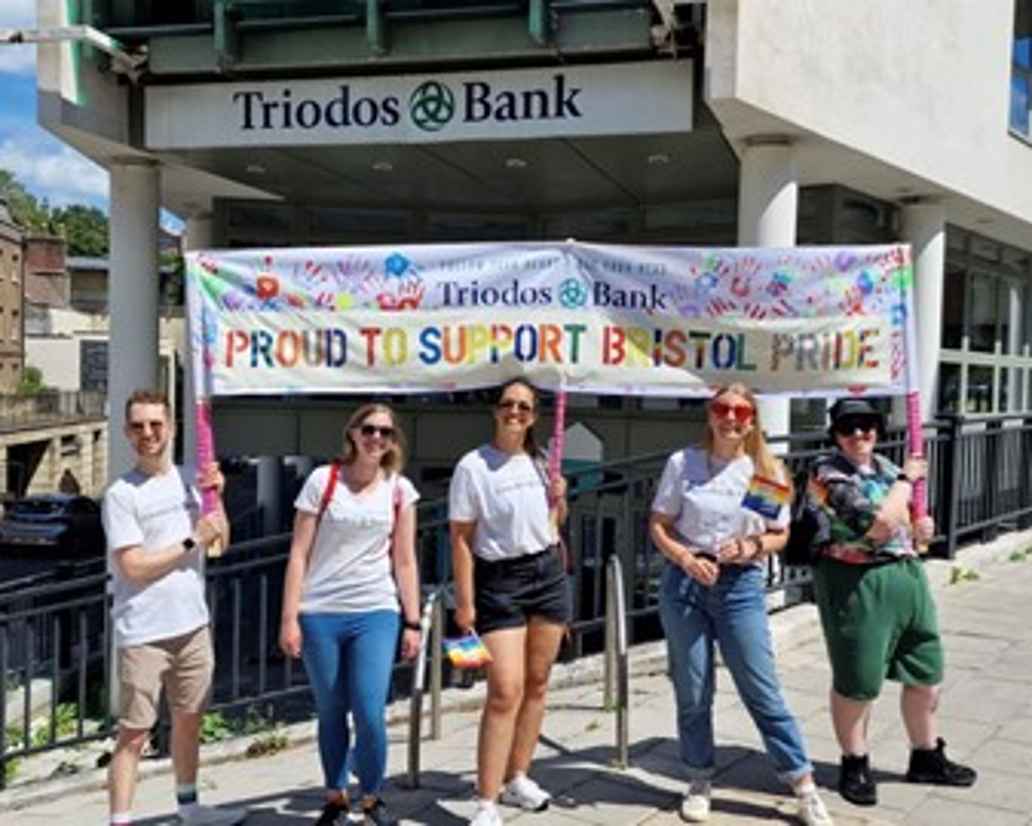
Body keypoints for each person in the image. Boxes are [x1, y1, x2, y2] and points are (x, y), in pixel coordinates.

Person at [649, 383, 833, 826]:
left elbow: (779, 535)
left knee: (760, 686)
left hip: (739, 587)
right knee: (693, 689)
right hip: (686, 584)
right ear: (710, 415)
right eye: (722, 409)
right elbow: (659, 524)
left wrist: (751, 545)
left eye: (741, 411)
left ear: (752, 420)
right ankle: (698, 777)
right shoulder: (684, 463)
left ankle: (802, 783)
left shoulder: (764, 469)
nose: (731, 418)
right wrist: (686, 558)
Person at [806, 397, 976, 807]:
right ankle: (855, 760)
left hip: (906, 575)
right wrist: (906, 480)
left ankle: (926, 753)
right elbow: (876, 524)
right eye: (849, 428)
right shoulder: (826, 473)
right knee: (859, 678)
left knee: (925, 669)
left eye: (867, 425)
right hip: (857, 581)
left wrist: (921, 527)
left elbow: (905, 527)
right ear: (836, 436)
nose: (860, 434)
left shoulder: (883, 467)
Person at [102, 389, 241, 826]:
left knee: (188, 721)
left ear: (172, 428)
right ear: (127, 432)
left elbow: (219, 543)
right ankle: (120, 819)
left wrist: (218, 501)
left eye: (156, 424)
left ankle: (189, 806)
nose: (148, 433)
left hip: (192, 624)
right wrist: (190, 540)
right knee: (134, 733)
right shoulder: (121, 494)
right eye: (139, 426)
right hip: (143, 629)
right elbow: (133, 566)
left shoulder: (190, 480)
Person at [279, 403, 422, 826]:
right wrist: (289, 617)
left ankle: (373, 795)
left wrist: (412, 620)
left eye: (385, 432)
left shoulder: (399, 489)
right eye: (369, 429)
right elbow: (299, 553)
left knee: (369, 709)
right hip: (320, 609)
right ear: (353, 433)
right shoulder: (323, 481)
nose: (376, 438)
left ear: (393, 441)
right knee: (331, 708)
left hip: (375, 608)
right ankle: (336, 794)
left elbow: (406, 561)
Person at [448, 378, 571, 826]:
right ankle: (486, 799)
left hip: (547, 573)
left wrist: (560, 500)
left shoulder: (541, 461)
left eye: (524, 406)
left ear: (535, 415)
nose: (515, 412)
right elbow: (460, 538)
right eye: (508, 404)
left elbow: (552, 524)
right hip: (500, 579)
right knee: (505, 691)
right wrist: (465, 603)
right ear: (495, 411)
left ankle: (518, 775)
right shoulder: (474, 466)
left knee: (538, 682)